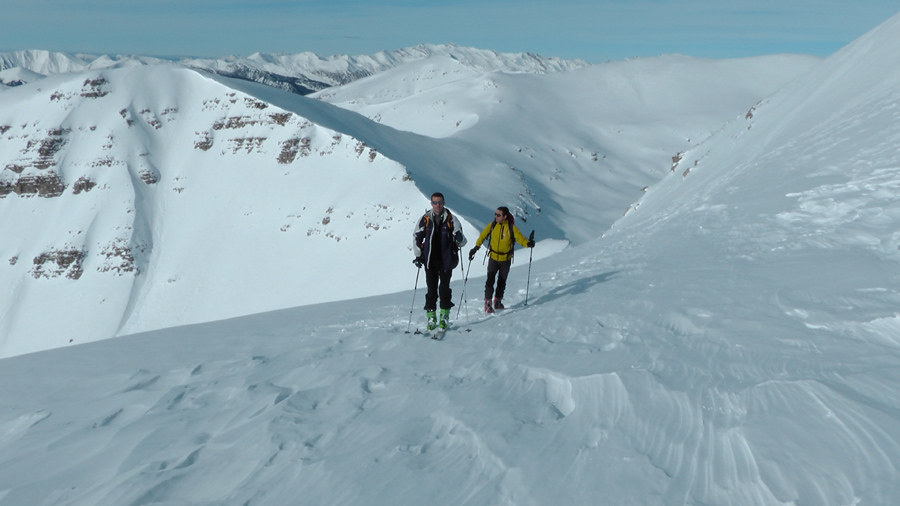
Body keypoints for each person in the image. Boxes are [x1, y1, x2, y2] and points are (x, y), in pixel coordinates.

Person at [413, 192, 467, 330]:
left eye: (440, 202)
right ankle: (431, 317)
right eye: (435, 203)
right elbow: (417, 237)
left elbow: (462, 241)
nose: (438, 205)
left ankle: (444, 315)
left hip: (446, 261)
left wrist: (460, 239)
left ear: (444, 203)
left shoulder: (451, 219)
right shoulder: (425, 219)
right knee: (431, 290)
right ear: (431, 203)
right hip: (430, 261)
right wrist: (418, 256)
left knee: (444, 289)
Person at [468, 206, 534, 313]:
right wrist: (475, 248)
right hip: (493, 257)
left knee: (502, 281)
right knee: (490, 280)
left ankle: (497, 301)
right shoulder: (492, 225)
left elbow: (520, 239)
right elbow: (482, 236)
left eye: (498, 215)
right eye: (495, 214)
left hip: (505, 259)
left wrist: (528, 244)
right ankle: (488, 302)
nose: (495, 216)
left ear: (505, 217)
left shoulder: (511, 227)